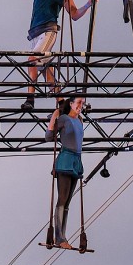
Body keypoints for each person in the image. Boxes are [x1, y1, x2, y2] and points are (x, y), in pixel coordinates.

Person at [20, 0, 96, 112]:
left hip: (48, 31)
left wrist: (88, 4)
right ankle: (62, 103)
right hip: (34, 33)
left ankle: (30, 98)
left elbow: (74, 14)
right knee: (46, 69)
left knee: (32, 59)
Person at [47, 96, 86, 250]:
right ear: (71, 104)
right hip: (65, 160)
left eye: (82, 103)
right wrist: (54, 116)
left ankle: (62, 235)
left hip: (76, 160)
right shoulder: (64, 119)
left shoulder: (80, 120)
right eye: (79, 102)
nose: (81, 105)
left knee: (67, 202)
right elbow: (48, 137)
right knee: (62, 199)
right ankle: (59, 237)